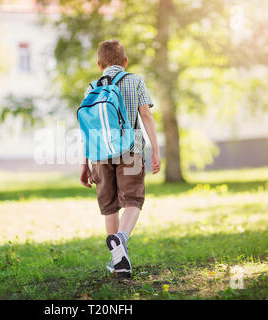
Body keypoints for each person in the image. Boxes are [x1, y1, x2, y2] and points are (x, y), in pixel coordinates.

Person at [80, 39, 161, 278]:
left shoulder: (91, 87)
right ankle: (121, 239)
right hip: (131, 149)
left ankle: (117, 261)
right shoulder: (135, 80)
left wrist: (84, 163)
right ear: (126, 62)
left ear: (99, 64)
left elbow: (88, 127)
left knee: (109, 206)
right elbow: (146, 116)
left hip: (99, 154)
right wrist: (156, 150)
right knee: (133, 200)